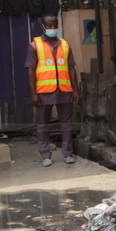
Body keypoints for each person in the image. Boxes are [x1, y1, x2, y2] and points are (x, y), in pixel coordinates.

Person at [26, 13, 80, 167]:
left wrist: (75, 91)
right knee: (42, 124)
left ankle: (68, 153)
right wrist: (33, 93)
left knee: (67, 124)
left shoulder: (65, 44)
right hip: (44, 92)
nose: (52, 28)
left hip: (64, 91)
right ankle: (45, 155)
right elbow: (30, 70)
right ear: (42, 26)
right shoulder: (34, 45)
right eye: (49, 26)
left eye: (55, 25)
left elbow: (71, 69)